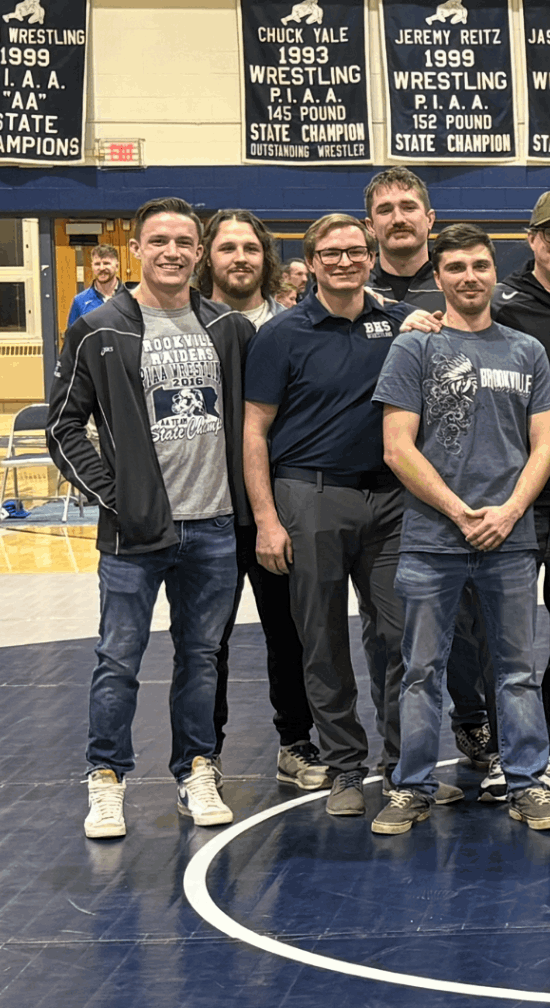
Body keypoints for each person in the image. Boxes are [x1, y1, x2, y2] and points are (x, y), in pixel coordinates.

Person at [416, 189, 550, 806]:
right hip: (508, 503)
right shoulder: (502, 304)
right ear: (531, 238)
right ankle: (501, 746)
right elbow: (448, 331)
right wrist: (421, 320)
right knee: (493, 635)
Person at [50, 197, 254, 840]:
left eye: (184, 242)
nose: (172, 251)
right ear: (136, 248)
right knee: (119, 658)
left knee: (202, 657)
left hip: (216, 527)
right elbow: (63, 425)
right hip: (134, 534)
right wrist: (117, 497)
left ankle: (197, 769)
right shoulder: (99, 327)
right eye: (158, 240)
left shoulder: (227, 328)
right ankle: (106, 778)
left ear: (199, 253)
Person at [373, 224, 550, 835]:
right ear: (439, 278)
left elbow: (544, 448)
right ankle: (411, 787)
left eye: (481, 265)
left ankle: (527, 783)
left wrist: (507, 513)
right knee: (421, 671)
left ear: (494, 272)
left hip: (510, 540)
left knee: (515, 671)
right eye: (455, 267)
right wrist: (460, 512)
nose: (470, 277)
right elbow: (397, 449)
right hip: (433, 540)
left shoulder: (526, 350)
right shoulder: (414, 349)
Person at [243, 212, 435, 820]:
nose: (346, 261)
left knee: (400, 636)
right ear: (312, 261)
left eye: (356, 250)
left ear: (371, 254)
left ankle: (404, 769)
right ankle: (346, 766)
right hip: (311, 496)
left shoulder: (400, 324)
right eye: (332, 253)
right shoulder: (281, 334)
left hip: (392, 499)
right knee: (321, 638)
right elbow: (255, 433)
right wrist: (268, 520)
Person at [188, 209, 317, 788]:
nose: (239, 257)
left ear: (266, 257)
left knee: (288, 633)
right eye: (227, 247)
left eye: (250, 248)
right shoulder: (184, 327)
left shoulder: (292, 325)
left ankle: (296, 742)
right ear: (206, 258)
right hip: (206, 510)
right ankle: (202, 755)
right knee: (204, 643)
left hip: (276, 510)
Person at [363, 167, 445, 315]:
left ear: (430, 219)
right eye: (385, 210)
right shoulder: (355, 288)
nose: (398, 219)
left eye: (409, 208)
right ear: (371, 226)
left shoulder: (454, 284)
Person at [69, 245, 122, 329]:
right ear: (92, 266)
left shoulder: (132, 297)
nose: (101, 268)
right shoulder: (80, 300)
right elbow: (72, 337)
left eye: (106, 263)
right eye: (97, 264)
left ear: (117, 266)